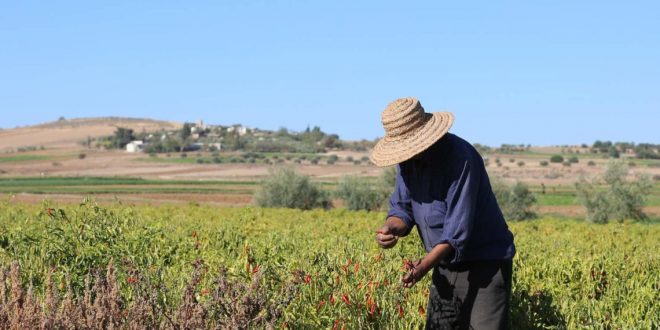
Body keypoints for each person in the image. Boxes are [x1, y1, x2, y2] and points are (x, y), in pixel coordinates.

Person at [370, 97, 515, 330]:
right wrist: (390, 228)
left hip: (486, 263)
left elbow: (456, 232)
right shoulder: (408, 162)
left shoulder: (460, 158)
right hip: (444, 264)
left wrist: (423, 267)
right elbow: (402, 209)